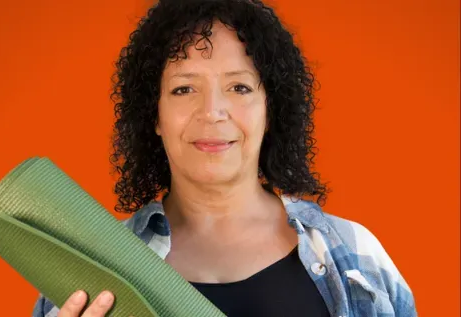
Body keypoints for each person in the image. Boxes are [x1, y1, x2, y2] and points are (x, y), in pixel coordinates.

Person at [32, 0, 418, 316]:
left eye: (239, 86)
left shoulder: (356, 256)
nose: (213, 111)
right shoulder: (86, 267)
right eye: (184, 89)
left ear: (271, 109)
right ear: (154, 115)